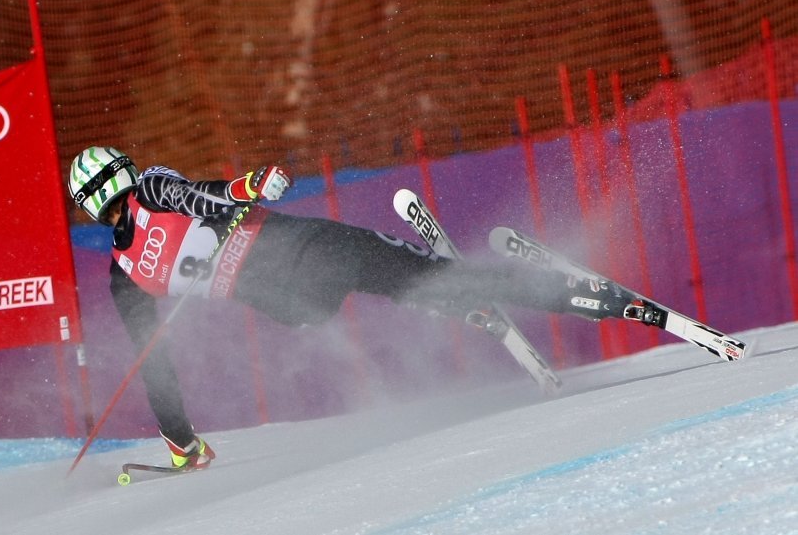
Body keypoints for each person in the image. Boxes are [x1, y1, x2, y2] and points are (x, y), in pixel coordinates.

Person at [67, 146, 631, 469]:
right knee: (408, 269)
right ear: (124, 172)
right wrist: (249, 186)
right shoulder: (152, 189)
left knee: (383, 284)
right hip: (308, 253)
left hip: (290, 305)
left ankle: (447, 300)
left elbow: (155, 365)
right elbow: (196, 196)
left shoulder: (124, 279)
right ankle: (562, 294)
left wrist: (182, 443)